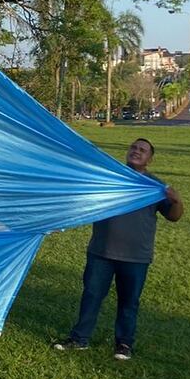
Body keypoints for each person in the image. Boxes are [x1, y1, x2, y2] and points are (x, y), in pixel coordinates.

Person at [53, 138, 183, 360]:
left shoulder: (154, 187)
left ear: (150, 159)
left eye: (142, 150)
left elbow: (173, 216)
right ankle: (79, 338)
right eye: (133, 148)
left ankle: (124, 344)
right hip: (101, 252)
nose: (136, 152)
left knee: (129, 302)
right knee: (91, 296)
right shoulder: (111, 178)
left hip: (136, 256)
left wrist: (177, 200)